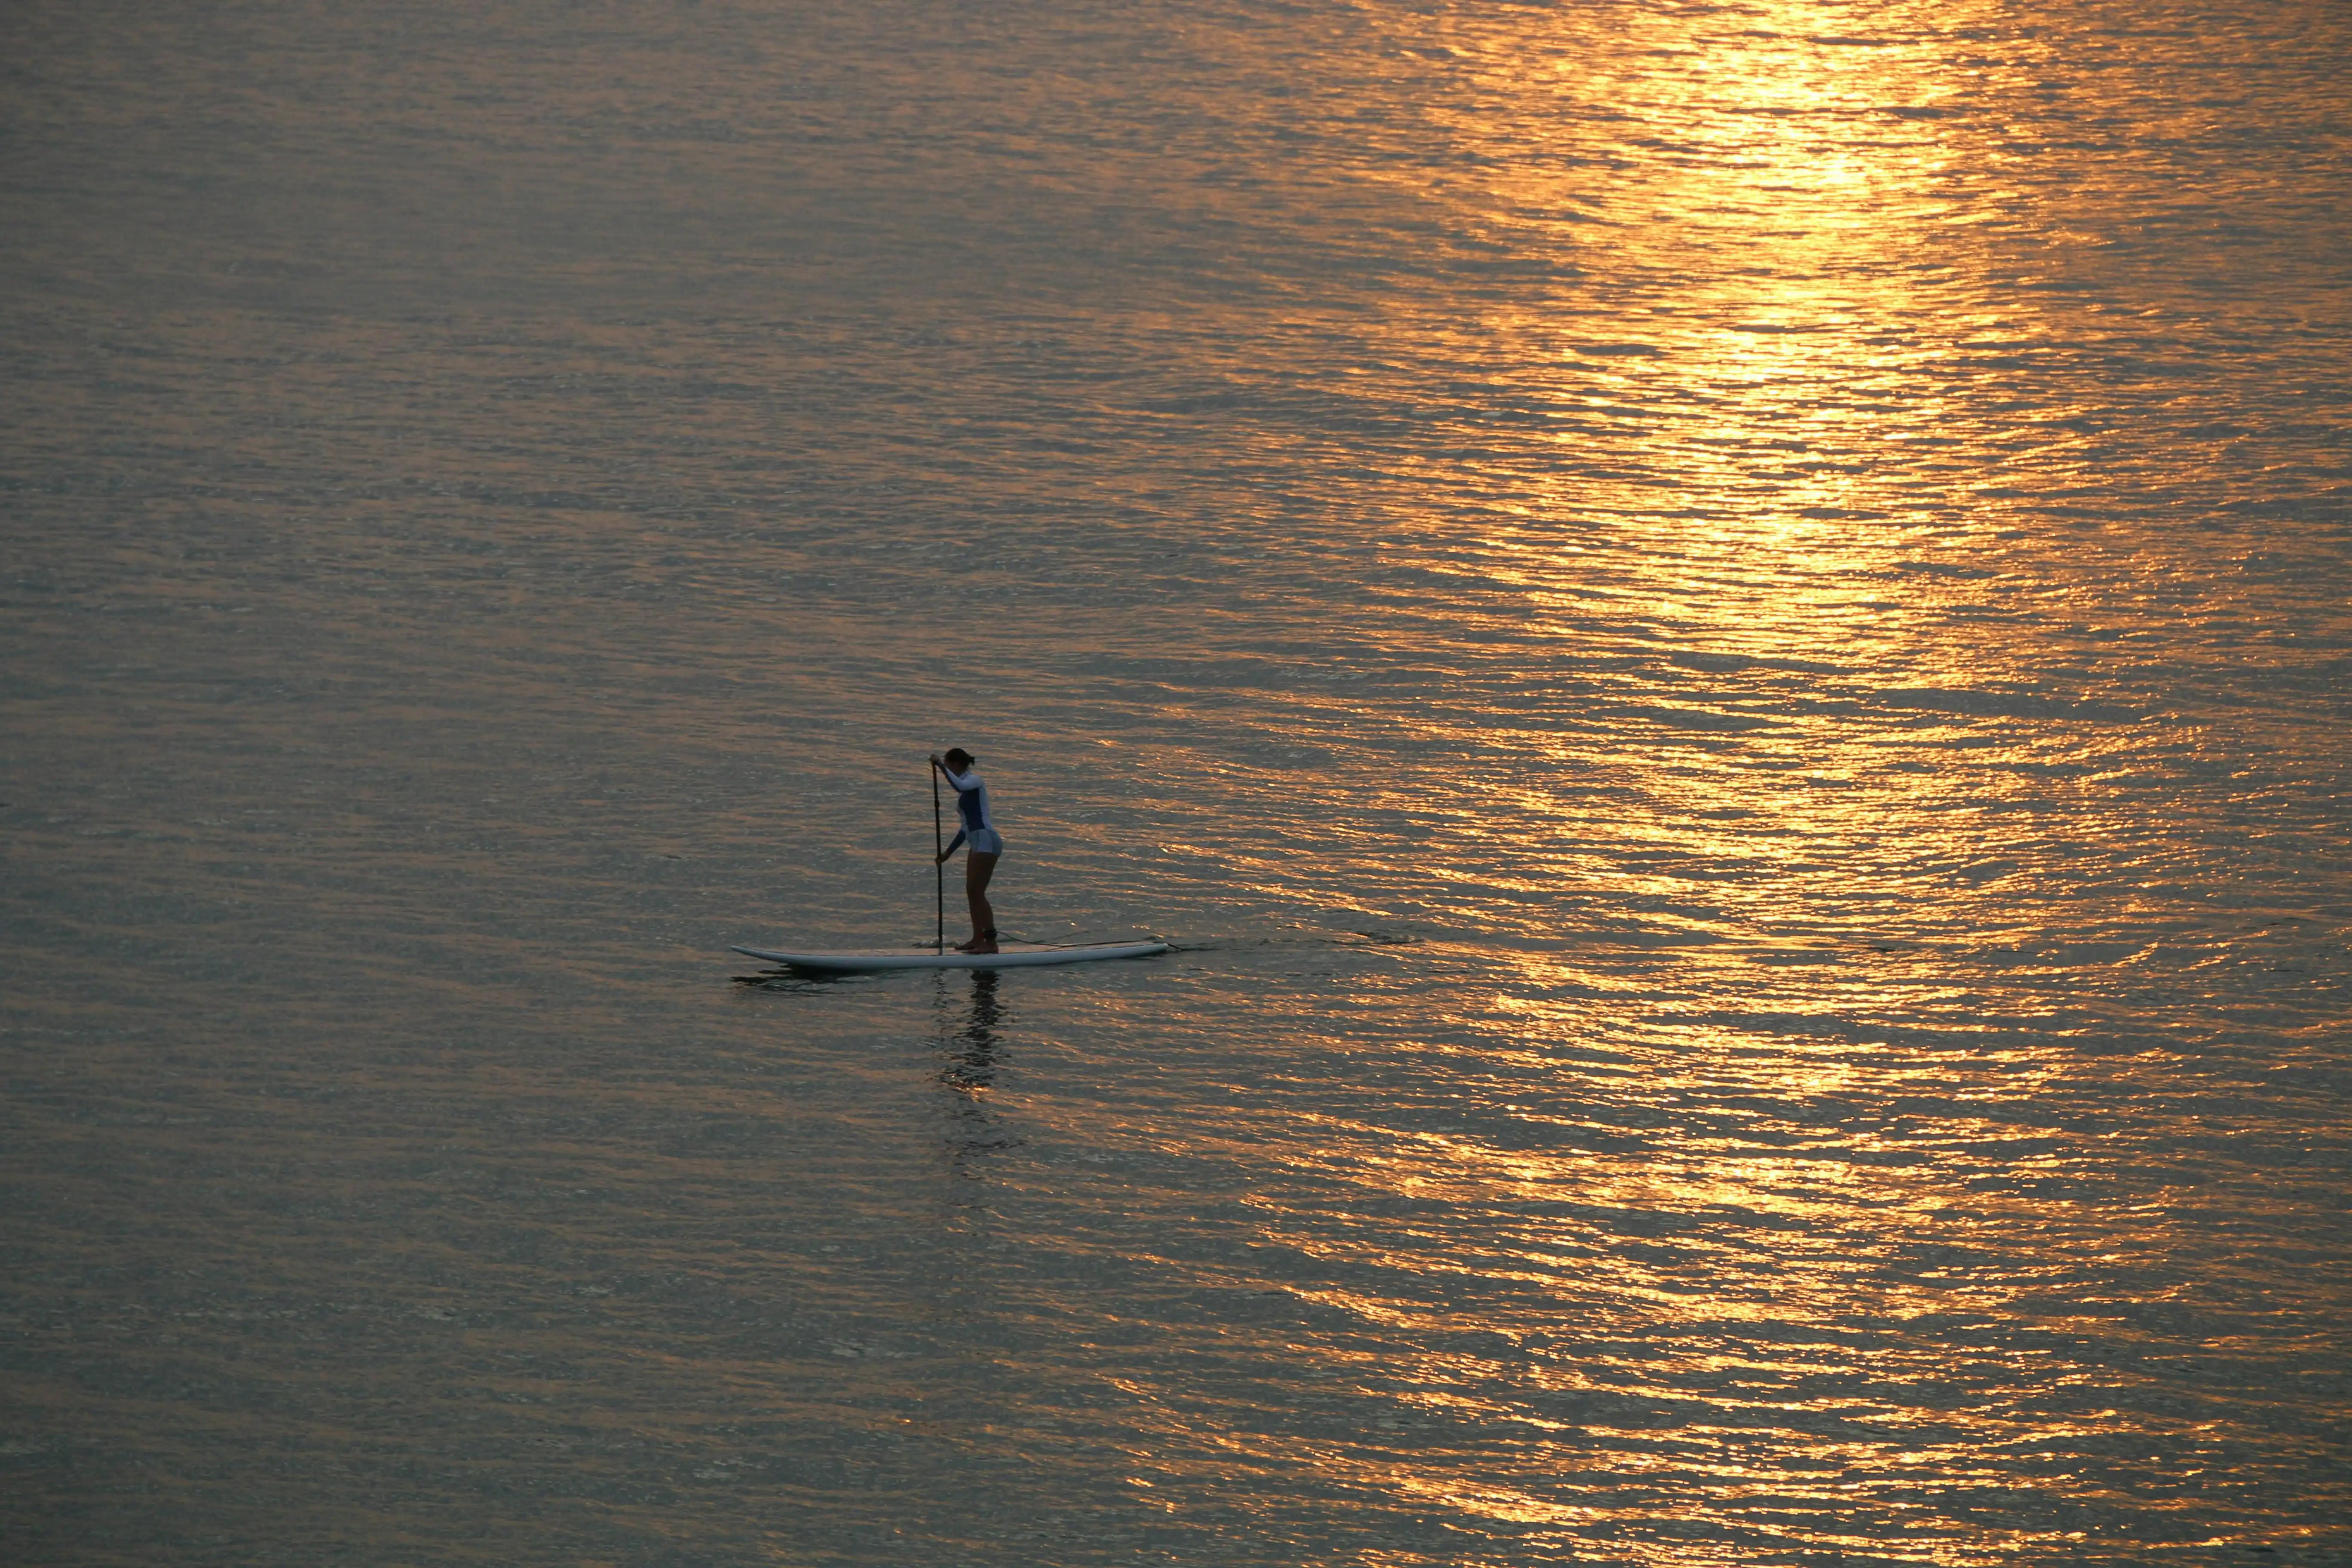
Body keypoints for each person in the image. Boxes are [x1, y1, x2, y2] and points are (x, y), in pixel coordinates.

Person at [931, 748, 1002, 953]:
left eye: (949, 764)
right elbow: (965, 830)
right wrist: (947, 853)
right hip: (976, 841)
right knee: (972, 892)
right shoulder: (966, 789)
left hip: (987, 841)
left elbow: (958, 786)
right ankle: (977, 938)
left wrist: (940, 766)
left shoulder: (975, 781)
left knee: (977, 892)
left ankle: (991, 942)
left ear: (956, 764)